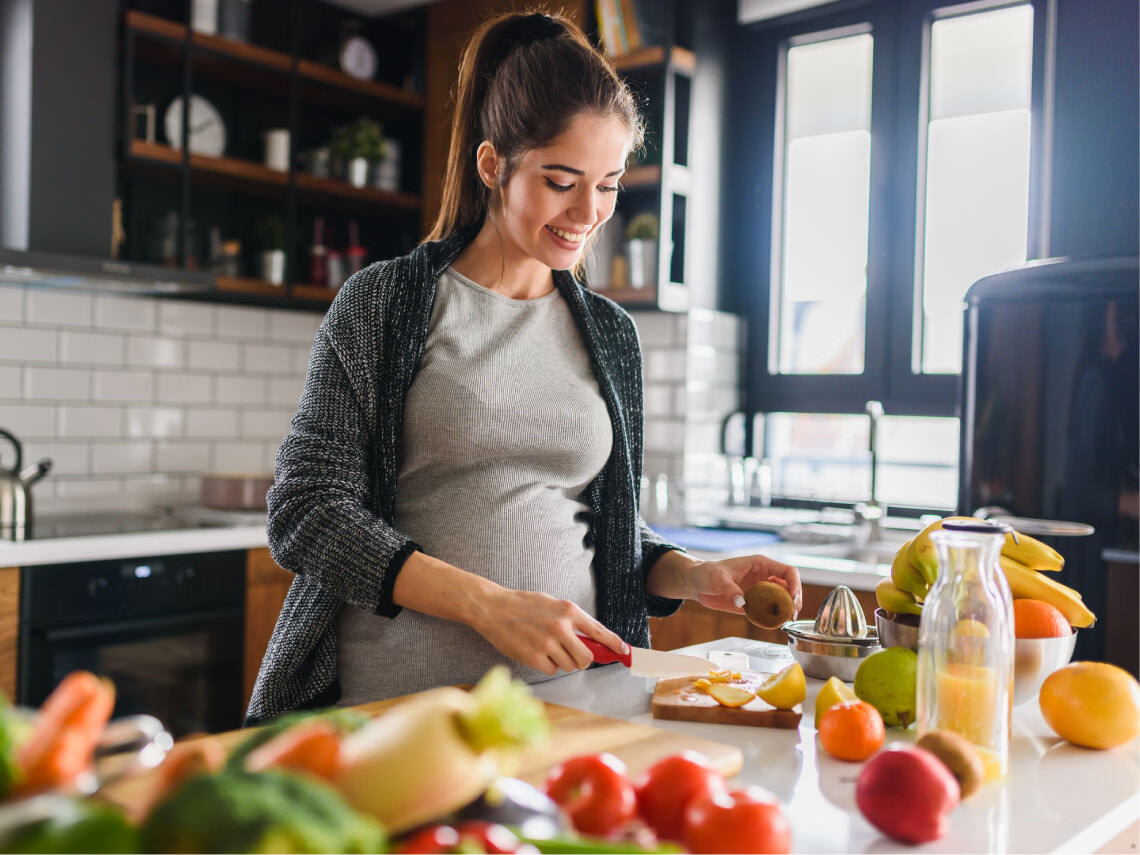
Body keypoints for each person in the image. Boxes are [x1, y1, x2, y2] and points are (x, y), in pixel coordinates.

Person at [245, 10, 801, 724]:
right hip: (395, 713)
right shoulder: (386, 303)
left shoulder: (609, 334)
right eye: (562, 180)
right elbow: (307, 512)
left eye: (608, 184)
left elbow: (604, 527)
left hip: (571, 708)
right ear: (491, 165)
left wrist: (691, 573)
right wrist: (489, 606)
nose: (588, 212)